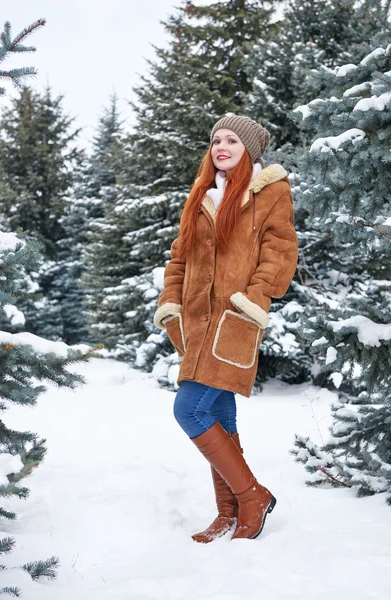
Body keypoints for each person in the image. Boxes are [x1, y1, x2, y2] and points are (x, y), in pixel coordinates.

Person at [153, 114, 298, 543]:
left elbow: (280, 251)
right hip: (195, 319)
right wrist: (170, 302)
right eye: (216, 139)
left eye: (232, 139)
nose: (221, 146)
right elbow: (179, 257)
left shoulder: (270, 192)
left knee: (188, 409)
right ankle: (228, 511)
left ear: (249, 149)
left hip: (234, 318)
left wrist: (253, 300)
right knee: (217, 411)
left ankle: (252, 495)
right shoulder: (201, 194)